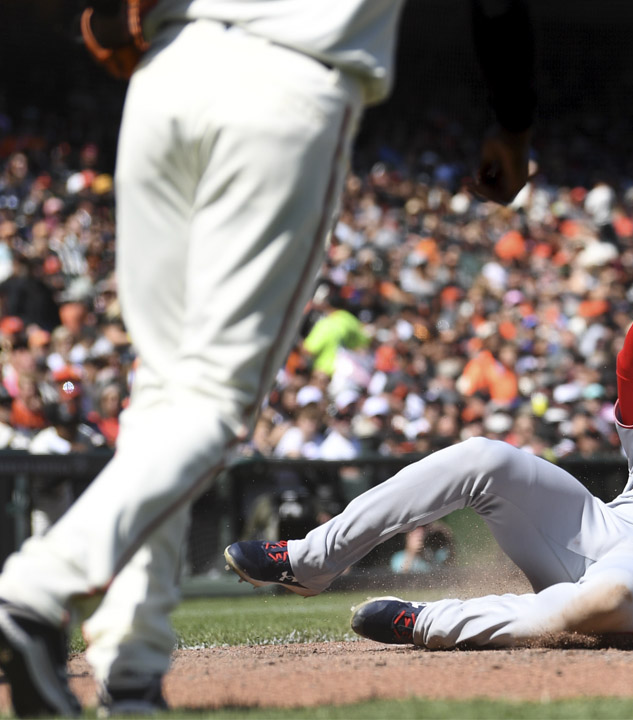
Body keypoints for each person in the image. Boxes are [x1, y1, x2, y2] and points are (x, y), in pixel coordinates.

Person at [0, 1, 536, 716]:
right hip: (288, 81)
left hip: (170, 72)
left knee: (163, 394)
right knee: (213, 404)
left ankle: (133, 665)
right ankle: (34, 591)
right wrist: (514, 119)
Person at [224, 255, 633, 650]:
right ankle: (309, 560)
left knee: (599, 604)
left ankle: (429, 624)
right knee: (484, 455)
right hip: (601, 527)